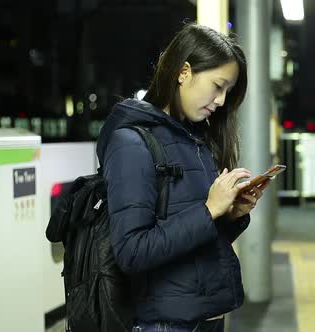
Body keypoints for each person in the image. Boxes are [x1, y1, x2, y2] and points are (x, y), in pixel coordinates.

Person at [95, 23, 266, 332]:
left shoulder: (195, 140)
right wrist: (208, 210)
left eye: (228, 91)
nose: (222, 101)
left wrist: (230, 215)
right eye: (218, 85)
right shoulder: (131, 143)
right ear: (184, 71)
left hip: (206, 318)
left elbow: (196, 243)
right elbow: (132, 252)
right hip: (165, 324)